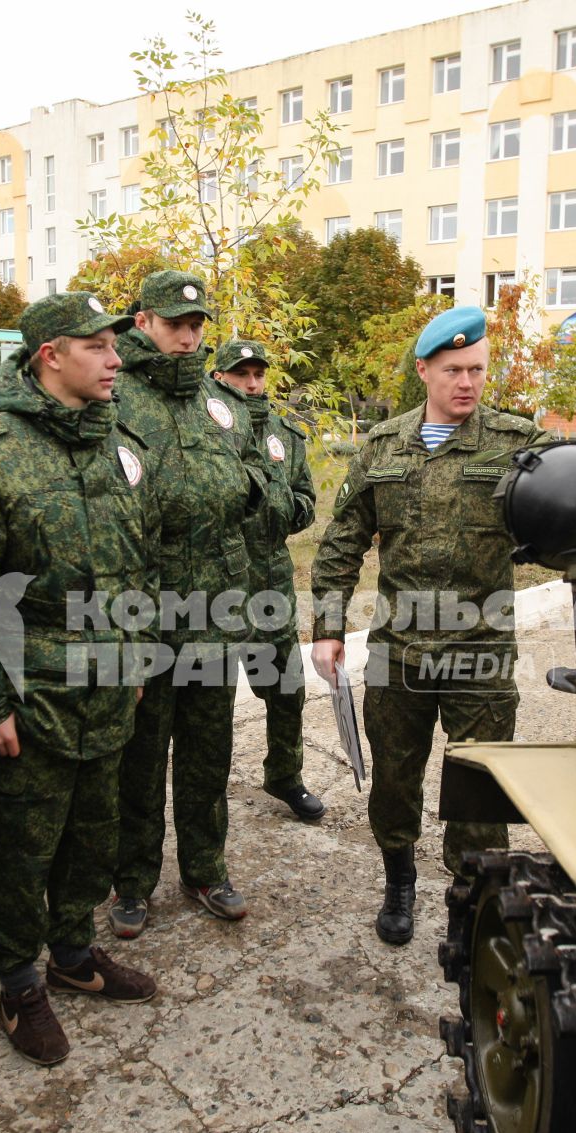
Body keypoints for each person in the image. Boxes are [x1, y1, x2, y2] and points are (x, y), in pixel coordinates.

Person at [0, 291, 160, 1066]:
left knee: (93, 834)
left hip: (108, 680)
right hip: (31, 694)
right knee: (23, 846)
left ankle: (73, 951)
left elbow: (142, 564)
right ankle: (20, 982)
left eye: (115, 346)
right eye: (97, 346)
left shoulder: (121, 446)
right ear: (49, 355)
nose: (116, 359)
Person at [309, 306, 550, 946]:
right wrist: (328, 627)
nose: (466, 382)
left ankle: (474, 904)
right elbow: (341, 542)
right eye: (452, 370)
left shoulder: (519, 444)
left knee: (478, 783)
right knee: (394, 776)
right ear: (424, 370)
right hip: (399, 650)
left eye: (476, 370)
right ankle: (399, 882)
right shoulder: (383, 447)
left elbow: (570, 508)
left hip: (481, 650)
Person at [107, 271, 282, 938]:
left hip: (216, 610)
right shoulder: (115, 397)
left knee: (209, 753)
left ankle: (206, 868)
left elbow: (266, 471)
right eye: (175, 322)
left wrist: (240, 485)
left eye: (197, 324)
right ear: (143, 321)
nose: (189, 335)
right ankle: (131, 881)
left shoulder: (220, 403)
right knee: (142, 759)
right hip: (150, 613)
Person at [207, 339, 323, 822]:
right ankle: (209, 793)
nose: (252, 384)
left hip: (270, 583)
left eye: (258, 375)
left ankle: (285, 776)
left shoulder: (284, 436)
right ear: (218, 379)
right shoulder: (207, 432)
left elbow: (305, 501)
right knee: (212, 700)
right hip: (216, 587)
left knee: (285, 688)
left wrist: (279, 508)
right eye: (241, 375)